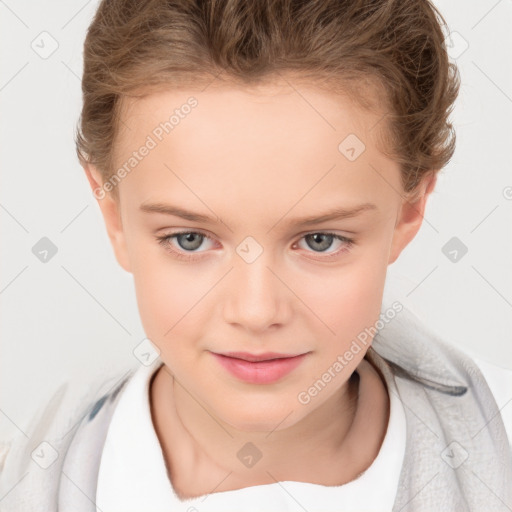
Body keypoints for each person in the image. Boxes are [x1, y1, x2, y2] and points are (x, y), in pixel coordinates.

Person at [0, 0, 511, 511]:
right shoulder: (26, 475)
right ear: (115, 215)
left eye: (319, 240)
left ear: (409, 210)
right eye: (190, 239)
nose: (256, 311)